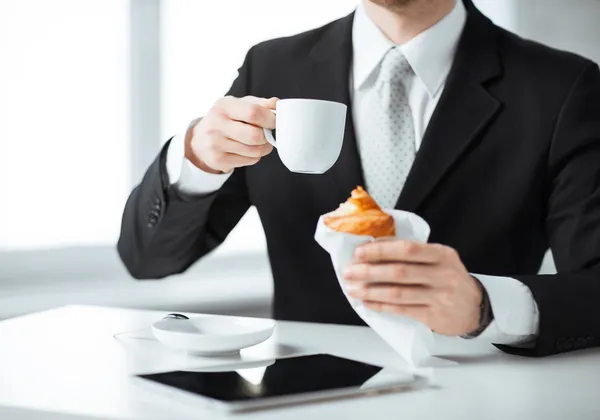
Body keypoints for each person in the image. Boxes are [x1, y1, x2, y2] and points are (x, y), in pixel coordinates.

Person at [118, 0, 600, 357]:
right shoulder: (271, 67)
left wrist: (485, 306)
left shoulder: (562, 87)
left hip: (484, 396)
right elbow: (148, 260)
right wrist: (195, 162)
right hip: (302, 396)